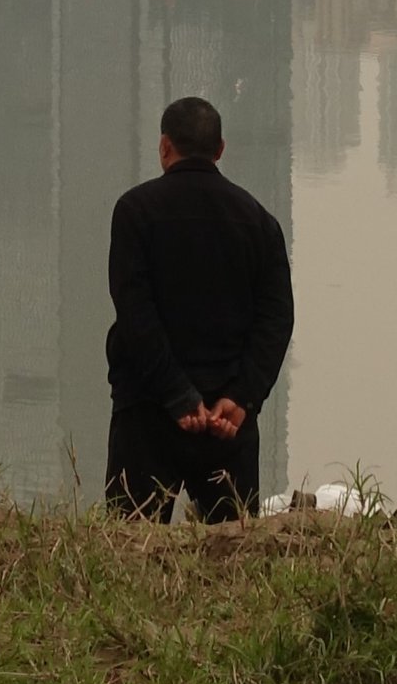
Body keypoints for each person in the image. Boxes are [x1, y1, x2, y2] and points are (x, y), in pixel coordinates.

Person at [104, 93, 293, 521]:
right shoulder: (259, 221)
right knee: (232, 550)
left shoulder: (135, 212)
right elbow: (277, 319)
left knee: (130, 544)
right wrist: (242, 397)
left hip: (148, 412)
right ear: (220, 150)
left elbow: (135, 313)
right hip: (228, 423)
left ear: (164, 147)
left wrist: (178, 395)